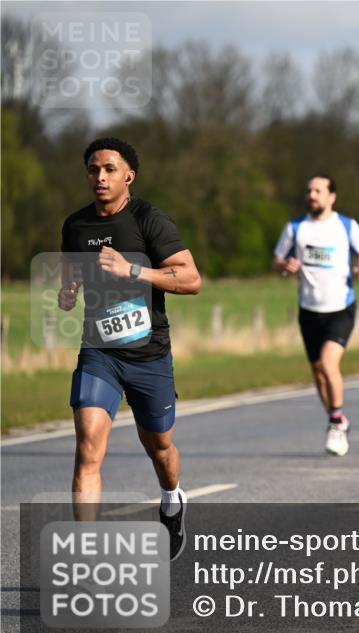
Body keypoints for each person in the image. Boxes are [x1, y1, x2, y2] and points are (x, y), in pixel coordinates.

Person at [59, 137, 202, 560]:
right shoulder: (75, 226)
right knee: (88, 445)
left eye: (108, 169)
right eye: (93, 169)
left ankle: (172, 496)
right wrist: (68, 292)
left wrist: (132, 269)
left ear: (128, 176)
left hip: (148, 354)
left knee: (159, 446)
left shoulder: (150, 221)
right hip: (99, 352)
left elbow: (191, 280)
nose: (99, 177)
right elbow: (72, 278)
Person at [273, 175, 359, 455]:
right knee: (318, 373)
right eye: (309, 190)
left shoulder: (346, 225)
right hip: (309, 310)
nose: (312, 195)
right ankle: (336, 417)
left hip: (341, 308)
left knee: (329, 364)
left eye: (318, 190)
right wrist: (285, 266)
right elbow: (277, 260)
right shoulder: (295, 227)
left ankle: (336, 421)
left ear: (331, 196)